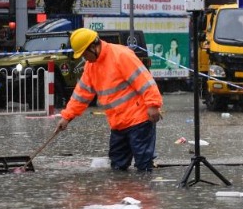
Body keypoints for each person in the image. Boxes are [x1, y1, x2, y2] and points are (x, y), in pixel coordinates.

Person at [57, 28, 163, 172]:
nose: (84, 58)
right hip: (118, 124)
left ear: (93, 47)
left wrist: (153, 105)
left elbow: (145, 81)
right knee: (118, 167)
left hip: (139, 120)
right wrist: (67, 117)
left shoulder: (121, 55)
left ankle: (143, 193)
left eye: (84, 54)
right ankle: (122, 193)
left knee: (143, 166)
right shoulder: (91, 66)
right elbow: (81, 94)